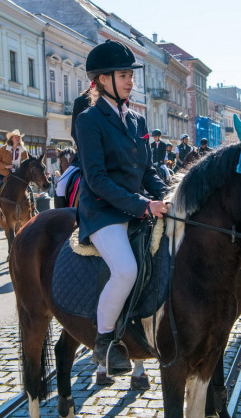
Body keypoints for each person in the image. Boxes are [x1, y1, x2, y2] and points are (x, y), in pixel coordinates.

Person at [76, 39, 168, 376]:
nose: (131, 81)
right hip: (101, 211)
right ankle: (105, 342)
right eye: (123, 74)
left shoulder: (138, 121)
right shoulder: (88, 120)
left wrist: (166, 195)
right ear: (103, 80)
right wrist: (144, 206)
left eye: (131, 74)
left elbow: (148, 171)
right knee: (126, 269)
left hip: (135, 206)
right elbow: (97, 179)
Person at [0, 129, 29, 220]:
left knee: (29, 190)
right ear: (11, 138)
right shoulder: (4, 149)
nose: (17, 138)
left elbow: (26, 165)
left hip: (19, 177)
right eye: (16, 137)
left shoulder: (23, 150)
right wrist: (6, 166)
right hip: (5, 175)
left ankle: (32, 208)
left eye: (18, 137)